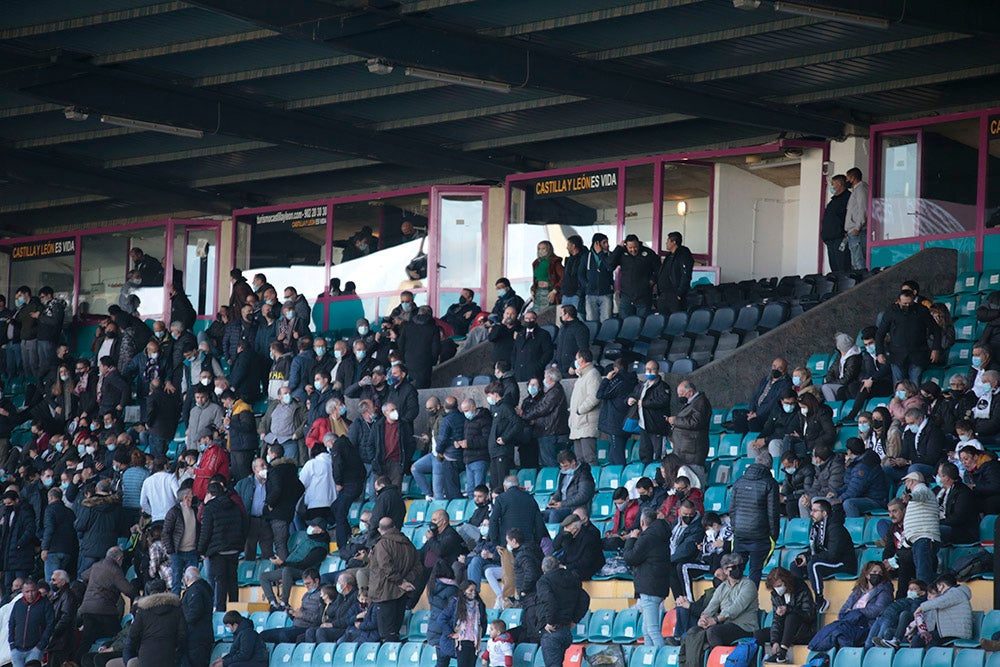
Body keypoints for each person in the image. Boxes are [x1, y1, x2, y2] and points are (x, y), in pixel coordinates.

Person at [680, 553, 759, 667]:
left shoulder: (748, 585)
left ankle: (718, 663)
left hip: (745, 627)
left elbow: (736, 608)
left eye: (739, 566)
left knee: (713, 632)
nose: (737, 570)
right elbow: (712, 606)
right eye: (733, 567)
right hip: (726, 626)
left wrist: (715, 620)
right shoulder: (722, 587)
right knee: (693, 632)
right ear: (725, 570)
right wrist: (704, 618)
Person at [807, 561, 894, 651]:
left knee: (839, 632)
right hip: (850, 621)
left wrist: (857, 612)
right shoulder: (859, 590)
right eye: (874, 572)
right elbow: (843, 609)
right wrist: (851, 614)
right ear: (867, 575)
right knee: (833, 628)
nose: (878, 575)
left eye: (880, 573)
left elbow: (879, 609)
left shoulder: (885, 590)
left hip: (866, 625)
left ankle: (848, 654)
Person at [791, 499, 857, 613]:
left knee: (814, 565)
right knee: (795, 566)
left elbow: (833, 555)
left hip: (843, 563)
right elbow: (816, 550)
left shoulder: (835, 528)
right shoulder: (817, 527)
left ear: (824, 513)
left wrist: (809, 559)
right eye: (811, 510)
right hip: (829, 561)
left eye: (815, 511)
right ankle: (803, 599)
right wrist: (804, 556)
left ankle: (820, 601)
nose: (811, 514)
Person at [729, 449, 780, 584]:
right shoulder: (770, 483)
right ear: (769, 466)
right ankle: (750, 602)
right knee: (755, 570)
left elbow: (732, 509)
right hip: (759, 535)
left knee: (736, 569)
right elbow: (773, 512)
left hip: (740, 532)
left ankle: (732, 601)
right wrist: (774, 535)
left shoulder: (739, 482)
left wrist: (735, 528)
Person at [368, 518, 422, 642]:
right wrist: (406, 581)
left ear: (379, 530)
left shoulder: (382, 545)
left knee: (387, 634)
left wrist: (401, 582)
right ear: (394, 527)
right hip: (402, 594)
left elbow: (387, 568)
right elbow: (418, 566)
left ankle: (389, 659)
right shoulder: (408, 543)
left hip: (384, 594)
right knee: (395, 631)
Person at [77, 547, 135, 663]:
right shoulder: (115, 570)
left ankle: (77, 663)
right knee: (117, 637)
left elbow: (83, 576)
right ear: (119, 558)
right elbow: (128, 590)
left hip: (87, 609)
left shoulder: (96, 565)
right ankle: (110, 660)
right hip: (105, 611)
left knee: (86, 641)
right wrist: (137, 596)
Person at [623, 509, 670, 648]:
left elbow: (630, 557)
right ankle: (650, 657)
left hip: (649, 588)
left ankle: (661, 658)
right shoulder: (661, 535)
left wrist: (631, 539)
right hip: (657, 586)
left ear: (642, 522)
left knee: (652, 630)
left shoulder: (647, 538)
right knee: (646, 629)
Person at [875, 289, 943, 385]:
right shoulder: (891, 312)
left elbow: (936, 330)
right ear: (898, 301)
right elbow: (880, 333)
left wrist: (935, 349)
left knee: (915, 384)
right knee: (899, 386)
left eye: (910, 303)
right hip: (897, 355)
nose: (907, 306)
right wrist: (880, 353)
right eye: (904, 304)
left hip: (917, 354)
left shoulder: (922, 311)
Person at [260, 520, 330, 611]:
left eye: (314, 526)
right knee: (263, 576)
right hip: (289, 567)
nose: (310, 527)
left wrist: (283, 563)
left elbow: (304, 564)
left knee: (287, 571)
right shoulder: (308, 538)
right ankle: (273, 603)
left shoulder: (321, 548)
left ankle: (284, 602)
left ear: (320, 530)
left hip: (304, 572)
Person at [199, 481, 247, 611]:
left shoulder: (209, 508)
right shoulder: (235, 506)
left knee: (220, 580)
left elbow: (206, 531)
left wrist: (201, 550)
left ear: (209, 494)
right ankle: (234, 609)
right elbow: (243, 526)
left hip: (218, 550)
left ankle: (220, 610)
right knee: (233, 580)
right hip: (234, 548)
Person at [119, 581, 186, 667]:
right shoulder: (176, 610)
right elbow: (182, 635)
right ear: (166, 591)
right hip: (169, 656)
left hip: (146, 657)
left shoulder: (143, 611)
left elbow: (133, 635)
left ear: (150, 592)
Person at [757, 567, 816, 663]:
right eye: (775, 587)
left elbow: (809, 615)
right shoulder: (775, 594)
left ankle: (782, 654)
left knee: (791, 616)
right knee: (759, 634)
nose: (778, 589)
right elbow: (776, 620)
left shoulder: (801, 588)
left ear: (786, 581)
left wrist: (788, 609)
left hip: (802, 631)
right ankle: (760, 661)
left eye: (779, 585)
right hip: (784, 631)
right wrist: (775, 641)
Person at [535, 557, 586, 667]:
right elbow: (585, 599)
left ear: (543, 568)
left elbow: (550, 601)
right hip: (566, 630)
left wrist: (549, 622)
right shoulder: (573, 578)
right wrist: (575, 619)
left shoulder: (544, 581)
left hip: (552, 630)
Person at [258, 568, 324, 644]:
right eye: (304, 584)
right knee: (263, 635)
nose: (306, 586)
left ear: (316, 581)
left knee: (284, 635)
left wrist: (302, 615)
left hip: (307, 628)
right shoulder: (306, 595)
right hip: (296, 626)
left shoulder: (322, 595)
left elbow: (320, 618)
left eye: (308, 583)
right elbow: (298, 615)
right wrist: (291, 614)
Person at [522, 370, 570, 469]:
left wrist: (525, 416)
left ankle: (554, 482)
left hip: (549, 431)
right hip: (550, 430)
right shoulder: (553, 391)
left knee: (550, 463)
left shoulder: (554, 391)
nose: (544, 380)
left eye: (545, 377)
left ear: (550, 378)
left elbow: (542, 408)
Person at [900, 471, 940, 587]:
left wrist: (910, 497)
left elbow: (920, 494)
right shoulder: (922, 491)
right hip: (920, 540)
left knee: (923, 576)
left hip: (924, 539)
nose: (906, 485)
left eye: (906, 482)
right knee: (921, 574)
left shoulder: (922, 489)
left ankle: (924, 600)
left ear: (912, 481)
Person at [910, 574, 973, 648]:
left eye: (938, 587)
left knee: (929, 639)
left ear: (942, 585)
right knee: (919, 638)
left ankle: (930, 659)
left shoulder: (956, 592)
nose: (939, 591)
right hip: (950, 632)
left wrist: (921, 608)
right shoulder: (954, 593)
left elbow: (939, 602)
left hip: (957, 633)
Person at [668, 381, 712, 486]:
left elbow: (696, 422)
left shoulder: (701, 403)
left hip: (693, 451)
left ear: (690, 392)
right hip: (684, 451)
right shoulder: (692, 403)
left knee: (696, 483)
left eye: (681, 394)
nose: (679, 397)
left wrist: (676, 420)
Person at [435, 580, 487, 667]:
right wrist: (451, 634)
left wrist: (480, 634)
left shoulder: (479, 605)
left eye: (475, 590)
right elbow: (441, 619)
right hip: (460, 642)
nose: (473, 593)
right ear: (463, 591)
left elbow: (483, 621)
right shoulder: (455, 603)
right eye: (470, 590)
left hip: (474, 642)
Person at [596, 358, 637, 467]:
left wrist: (607, 379)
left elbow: (600, 394)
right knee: (613, 455)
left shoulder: (618, 381)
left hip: (615, 421)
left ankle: (619, 478)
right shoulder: (632, 380)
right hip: (625, 420)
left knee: (617, 456)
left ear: (615, 369)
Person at [836, 438, 889, 517]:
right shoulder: (855, 463)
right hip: (864, 496)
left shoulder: (863, 466)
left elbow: (854, 491)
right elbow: (849, 485)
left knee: (849, 503)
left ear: (849, 451)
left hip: (875, 500)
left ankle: (852, 528)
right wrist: (836, 492)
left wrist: (838, 500)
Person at [608, 234, 659, 317]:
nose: (633, 250)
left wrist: (652, 280)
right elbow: (609, 266)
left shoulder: (649, 253)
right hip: (626, 297)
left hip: (643, 297)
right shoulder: (622, 253)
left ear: (638, 244)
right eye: (630, 248)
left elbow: (659, 270)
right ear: (626, 246)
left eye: (635, 247)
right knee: (625, 325)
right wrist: (618, 248)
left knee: (643, 324)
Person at [7, 579, 53, 667]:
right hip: (17, 649)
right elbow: (11, 623)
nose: (30, 594)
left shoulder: (45, 604)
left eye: (33, 591)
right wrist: (11, 643)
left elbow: (50, 624)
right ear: (23, 592)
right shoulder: (18, 604)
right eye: (27, 591)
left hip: (35, 649)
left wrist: (41, 645)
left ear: (37, 590)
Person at [568, 349, 600, 466]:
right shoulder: (581, 376)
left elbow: (594, 397)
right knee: (580, 459)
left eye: (576, 359)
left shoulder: (592, 374)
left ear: (581, 359)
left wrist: (579, 410)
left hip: (586, 423)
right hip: (577, 424)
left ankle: (593, 482)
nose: (575, 361)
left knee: (589, 457)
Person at [396, 306, 441, 389]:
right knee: (423, 388)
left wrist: (404, 358)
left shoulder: (407, 326)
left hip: (408, 360)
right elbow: (436, 348)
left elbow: (400, 344)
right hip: (425, 363)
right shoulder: (434, 328)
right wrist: (433, 361)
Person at [552, 510, 604, 581]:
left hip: (587, 568)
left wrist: (566, 567)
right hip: (571, 564)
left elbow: (585, 562)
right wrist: (561, 535)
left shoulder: (589, 538)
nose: (565, 531)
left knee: (572, 575)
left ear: (575, 529)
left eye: (567, 528)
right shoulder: (566, 535)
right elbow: (555, 546)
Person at [546, 450, 595, 524]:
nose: (564, 469)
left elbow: (582, 496)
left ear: (573, 462)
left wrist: (563, 504)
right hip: (563, 506)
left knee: (554, 515)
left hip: (575, 507)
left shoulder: (584, 475)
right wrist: (554, 499)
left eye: (566, 466)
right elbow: (559, 491)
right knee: (542, 514)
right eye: (561, 466)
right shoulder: (563, 473)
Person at [744, 358, 792, 432]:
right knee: (738, 417)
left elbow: (774, 402)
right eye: (774, 366)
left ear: (785, 370)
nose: (776, 369)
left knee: (752, 423)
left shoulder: (786, 383)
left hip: (767, 415)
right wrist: (751, 411)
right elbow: (755, 396)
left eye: (780, 368)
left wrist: (757, 414)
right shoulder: (765, 380)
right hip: (755, 412)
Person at [180, 566, 214, 667]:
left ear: (186, 579)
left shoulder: (195, 590)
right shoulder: (205, 588)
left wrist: (182, 624)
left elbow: (195, 612)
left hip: (196, 637)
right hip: (204, 634)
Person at [41, 487, 76, 581]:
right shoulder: (70, 512)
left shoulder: (50, 510)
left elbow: (49, 529)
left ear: (51, 497)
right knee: (62, 580)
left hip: (53, 550)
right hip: (67, 550)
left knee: (52, 581)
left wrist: (45, 548)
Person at [47, 569, 79, 667]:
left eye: (54, 580)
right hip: (57, 640)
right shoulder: (58, 595)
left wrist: (53, 632)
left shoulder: (68, 595)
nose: (51, 582)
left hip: (62, 640)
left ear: (63, 582)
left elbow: (66, 617)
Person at [656, 231, 693, 313]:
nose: (666, 243)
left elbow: (686, 275)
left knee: (675, 320)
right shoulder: (669, 256)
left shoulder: (683, 255)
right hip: (663, 295)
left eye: (668, 241)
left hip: (674, 295)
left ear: (674, 242)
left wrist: (679, 293)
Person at [820, 174, 851, 272]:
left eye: (833, 184)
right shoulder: (833, 201)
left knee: (843, 269)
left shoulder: (848, 198)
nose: (831, 186)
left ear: (839, 184)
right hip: (830, 240)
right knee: (835, 271)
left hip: (840, 239)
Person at [511, 310, 553, 382]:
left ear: (535, 320)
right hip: (519, 372)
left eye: (531, 319)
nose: (529, 320)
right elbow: (515, 351)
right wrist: (514, 366)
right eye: (526, 318)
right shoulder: (520, 334)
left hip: (534, 372)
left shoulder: (543, 334)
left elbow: (548, 352)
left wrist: (538, 366)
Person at [822, 333, 863, 402]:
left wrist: (832, 383)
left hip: (846, 386)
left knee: (826, 387)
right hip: (836, 382)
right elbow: (831, 371)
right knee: (815, 388)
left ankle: (833, 408)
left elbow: (847, 378)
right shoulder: (839, 356)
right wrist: (830, 380)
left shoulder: (854, 358)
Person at [844, 167, 869, 270]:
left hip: (857, 231)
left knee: (860, 262)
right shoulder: (856, 190)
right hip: (852, 231)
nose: (846, 181)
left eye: (847, 178)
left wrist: (857, 227)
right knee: (855, 262)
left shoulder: (861, 188)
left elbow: (863, 208)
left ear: (853, 178)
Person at [553, 305, 589, 375]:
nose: (560, 316)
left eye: (561, 314)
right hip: (560, 368)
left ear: (567, 315)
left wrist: (574, 365)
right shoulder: (562, 328)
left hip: (571, 369)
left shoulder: (580, 328)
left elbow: (583, 349)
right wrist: (554, 361)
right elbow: (559, 347)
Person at [779, 451, 814, 519]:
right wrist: (781, 496)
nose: (787, 469)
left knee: (790, 506)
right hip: (792, 497)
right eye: (785, 467)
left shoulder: (808, 470)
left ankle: (795, 527)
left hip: (802, 498)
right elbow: (785, 488)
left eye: (788, 466)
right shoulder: (788, 473)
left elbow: (807, 492)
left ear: (795, 462)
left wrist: (786, 498)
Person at [531, 241, 563, 311]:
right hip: (538, 292)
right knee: (536, 314)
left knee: (547, 314)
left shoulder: (554, 262)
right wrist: (533, 290)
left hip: (549, 291)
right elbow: (535, 279)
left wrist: (555, 290)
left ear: (549, 249)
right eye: (539, 249)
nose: (541, 251)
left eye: (543, 248)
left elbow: (563, 277)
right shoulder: (536, 263)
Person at [560, 236, 586, 317]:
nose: (566, 247)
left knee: (579, 317)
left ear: (573, 246)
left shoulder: (583, 258)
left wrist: (579, 292)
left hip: (576, 294)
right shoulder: (569, 259)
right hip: (566, 293)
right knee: (564, 317)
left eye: (568, 244)